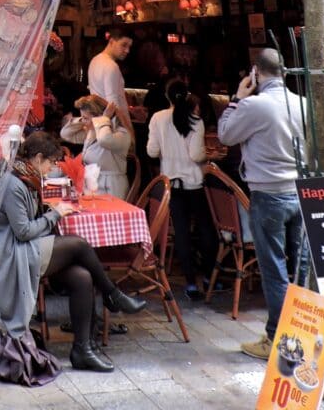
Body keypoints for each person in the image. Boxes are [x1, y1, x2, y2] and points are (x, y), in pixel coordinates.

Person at [0, 131, 146, 373]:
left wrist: (53, 208)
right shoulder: (14, 182)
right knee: (79, 244)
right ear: (38, 158)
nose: (52, 168)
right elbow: (23, 231)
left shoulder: (26, 175)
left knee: (82, 277)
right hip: (16, 254)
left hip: (28, 247)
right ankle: (112, 294)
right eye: (51, 162)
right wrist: (55, 214)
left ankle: (82, 350)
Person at [217, 48, 308, 360]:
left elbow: (226, 134)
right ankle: (299, 334)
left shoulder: (255, 105)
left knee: (274, 270)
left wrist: (237, 98)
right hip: (300, 193)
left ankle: (277, 339)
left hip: (268, 195)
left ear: (255, 73)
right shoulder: (303, 103)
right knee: (298, 268)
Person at [147, 78, 217, 300]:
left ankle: (190, 284)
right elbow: (197, 155)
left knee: (182, 232)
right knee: (206, 230)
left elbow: (151, 151)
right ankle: (208, 277)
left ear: (167, 97)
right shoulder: (195, 120)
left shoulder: (158, 118)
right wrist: (209, 156)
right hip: (194, 183)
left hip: (172, 184)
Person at [60, 95, 131, 198]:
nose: (84, 122)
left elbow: (104, 140)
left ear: (99, 117)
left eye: (86, 118)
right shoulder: (91, 132)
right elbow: (65, 134)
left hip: (111, 189)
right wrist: (82, 119)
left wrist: (103, 119)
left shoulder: (121, 134)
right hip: (92, 187)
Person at [87, 27, 134, 136]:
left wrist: (131, 111)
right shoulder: (111, 66)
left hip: (100, 123)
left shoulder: (94, 60)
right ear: (112, 41)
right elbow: (113, 104)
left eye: (129, 46)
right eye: (124, 45)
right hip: (115, 128)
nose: (127, 50)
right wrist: (129, 132)